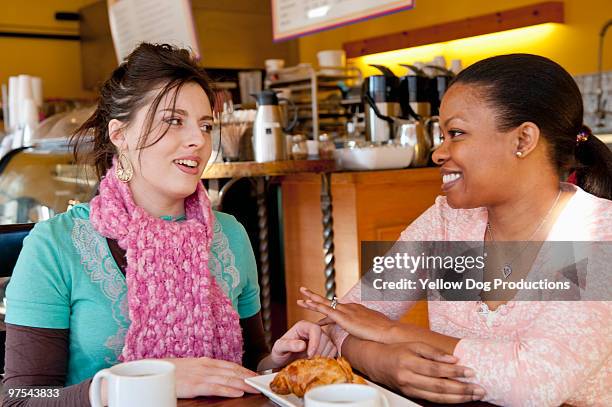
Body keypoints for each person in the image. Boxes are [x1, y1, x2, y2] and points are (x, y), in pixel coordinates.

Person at [3, 43, 336, 407]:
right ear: (120, 135)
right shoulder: (55, 245)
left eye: (206, 125)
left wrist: (278, 362)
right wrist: (145, 380)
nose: (198, 140)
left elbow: (248, 362)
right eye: (173, 121)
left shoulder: (230, 236)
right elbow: (20, 399)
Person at [298, 54, 612, 406]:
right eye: (441, 135)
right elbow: (346, 317)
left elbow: (535, 382)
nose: (438, 152)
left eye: (456, 134)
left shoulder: (597, 233)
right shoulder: (446, 222)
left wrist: (392, 333)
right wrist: (382, 361)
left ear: (523, 140)